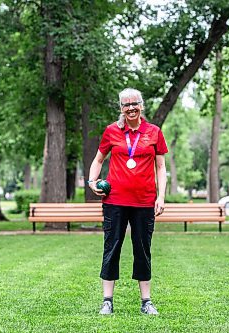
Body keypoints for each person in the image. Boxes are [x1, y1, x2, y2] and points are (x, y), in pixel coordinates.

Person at [87, 88, 168, 315]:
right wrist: (92, 182)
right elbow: (98, 159)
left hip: (144, 202)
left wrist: (160, 196)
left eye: (135, 104)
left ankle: (146, 301)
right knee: (111, 247)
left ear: (141, 106)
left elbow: (161, 167)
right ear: (121, 108)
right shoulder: (112, 131)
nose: (131, 108)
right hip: (115, 201)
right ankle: (107, 301)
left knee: (142, 250)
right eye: (126, 104)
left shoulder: (154, 132)